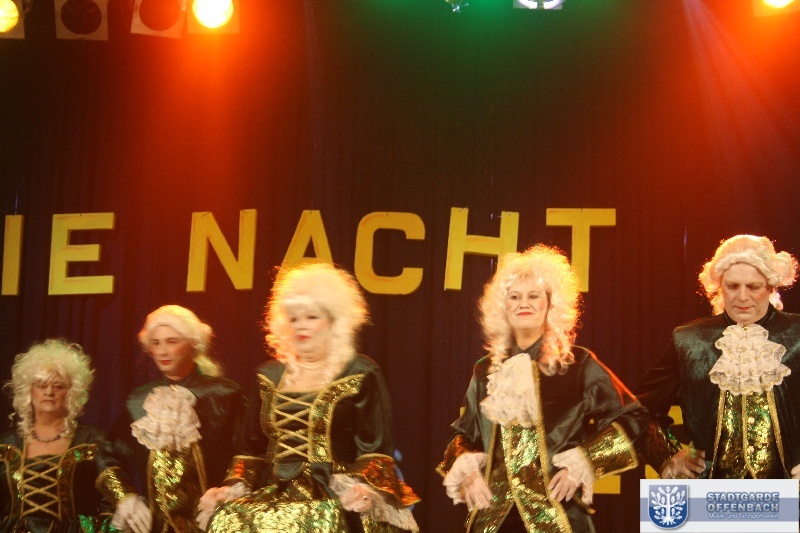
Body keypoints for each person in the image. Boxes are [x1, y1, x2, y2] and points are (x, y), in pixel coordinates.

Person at [437, 245, 649, 532]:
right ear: (503, 307)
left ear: (550, 304)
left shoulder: (577, 364)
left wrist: (585, 460)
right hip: (493, 520)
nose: (523, 303)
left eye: (534, 296)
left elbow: (634, 417)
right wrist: (468, 469)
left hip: (558, 516)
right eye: (514, 297)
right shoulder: (485, 370)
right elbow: (463, 435)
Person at [200, 263, 420, 533]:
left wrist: (362, 488)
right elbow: (251, 450)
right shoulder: (268, 375)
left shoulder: (360, 371)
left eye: (312, 317)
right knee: (229, 520)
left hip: (335, 491)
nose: (301, 326)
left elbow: (374, 449)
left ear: (334, 320)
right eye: (294, 319)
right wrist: (233, 487)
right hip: (273, 492)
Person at [636, 235, 800, 480]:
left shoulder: (797, 335)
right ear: (720, 286)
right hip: (708, 495)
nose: (742, 297)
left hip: (790, 493)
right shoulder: (689, 340)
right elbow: (639, 410)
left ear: (770, 286)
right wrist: (668, 456)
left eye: (753, 287)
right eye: (732, 286)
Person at [114, 305, 246, 532]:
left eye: (171, 341)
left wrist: (229, 492)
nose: (162, 351)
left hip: (211, 523)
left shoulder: (224, 394)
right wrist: (126, 497)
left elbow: (249, 452)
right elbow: (109, 454)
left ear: (193, 344)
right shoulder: (138, 401)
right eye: (156, 343)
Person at [0, 339, 150, 533]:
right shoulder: (6, 446)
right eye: (41, 385)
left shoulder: (93, 441)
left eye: (58, 386)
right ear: (29, 390)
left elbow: (111, 500)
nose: (49, 392)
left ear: (72, 393)